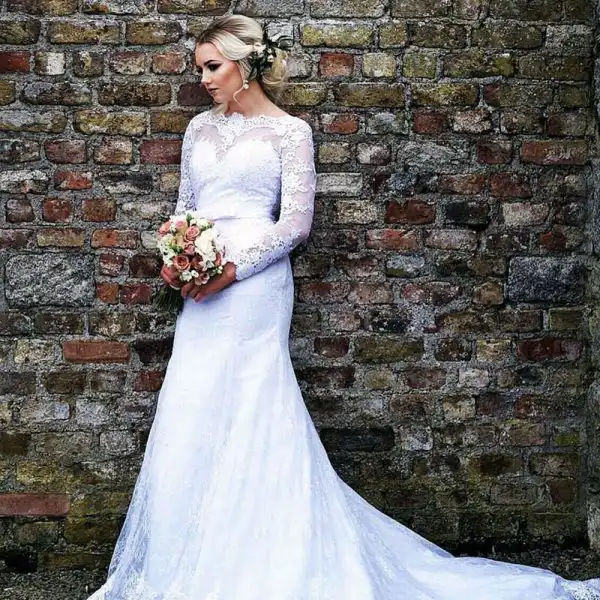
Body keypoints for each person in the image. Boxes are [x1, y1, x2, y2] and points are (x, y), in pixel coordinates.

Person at [87, 13, 600, 600]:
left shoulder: (290, 133)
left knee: (253, 403)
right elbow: (184, 206)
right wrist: (178, 255)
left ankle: (263, 561)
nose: (203, 79)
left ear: (247, 63)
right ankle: (187, 558)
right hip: (199, 284)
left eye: (212, 66)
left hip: (253, 285)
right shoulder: (198, 129)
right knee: (192, 402)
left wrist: (231, 269)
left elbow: (294, 224)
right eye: (199, 68)